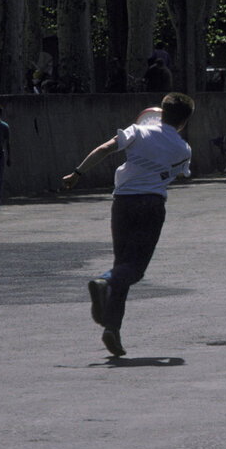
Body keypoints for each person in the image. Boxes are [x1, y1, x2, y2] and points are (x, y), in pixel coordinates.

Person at [62, 92, 195, 357]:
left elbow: (105, 149)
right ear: (184, 122)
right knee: (133, 269)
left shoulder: (137, 131)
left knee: (122, 264)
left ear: (162, 112)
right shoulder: (183, 149)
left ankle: (112, 329)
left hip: (122, 204)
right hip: (152, 206)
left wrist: (77, 174)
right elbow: (179, 173)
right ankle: (104, 282)